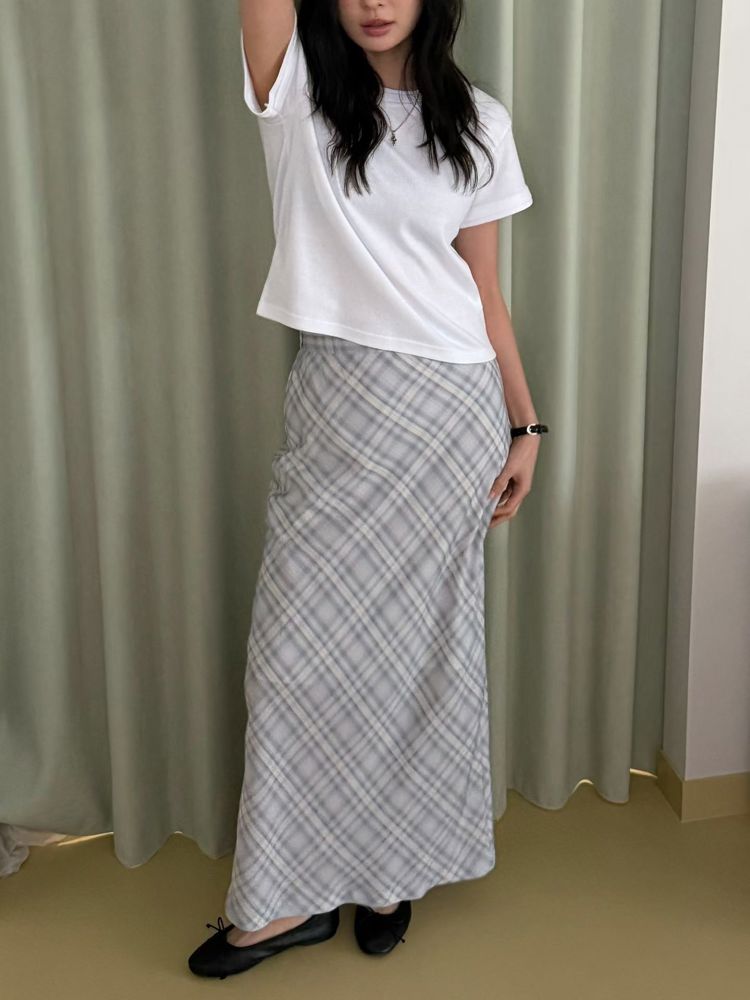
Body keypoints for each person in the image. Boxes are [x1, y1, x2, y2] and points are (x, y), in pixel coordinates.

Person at [189, 0, 546, 980]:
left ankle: (393, 873)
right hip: (342, 404)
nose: (375, 2)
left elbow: (484, 293)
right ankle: (286, 900)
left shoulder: (480, 119)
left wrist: (524, 425)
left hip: (452, 414)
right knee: (294, 663)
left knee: (421, 660)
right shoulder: (297, 92)